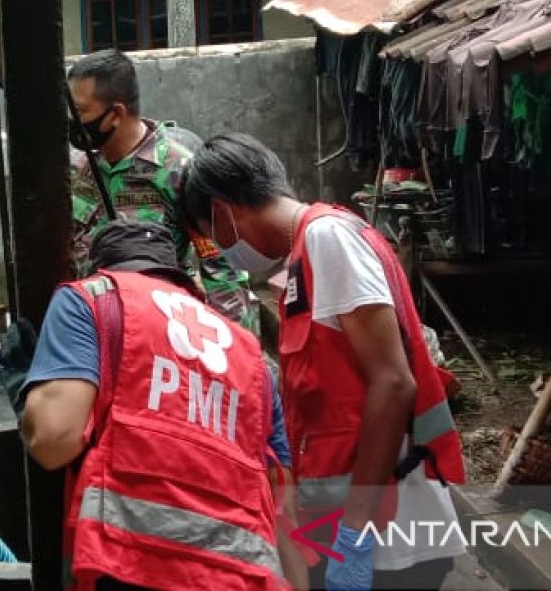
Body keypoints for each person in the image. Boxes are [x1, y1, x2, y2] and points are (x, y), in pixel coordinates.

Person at [181, 133, 466, 591]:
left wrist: (354, 532)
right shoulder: (305, 258)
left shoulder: (326, 239)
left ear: (221, 211)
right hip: (366, 528)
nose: (222, 250)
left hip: (390, 535)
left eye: (213, 237)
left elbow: (393, 383)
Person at [16, 220, 293, 591]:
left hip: (131, 565)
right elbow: (284, 496)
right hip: (241, 576)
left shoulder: (91, 298)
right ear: (176, 275)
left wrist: (27, 397)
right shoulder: (250, 353)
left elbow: (54, 442)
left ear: (103, 268)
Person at [66, 49, 255, 332]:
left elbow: (221, 268)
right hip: (91, 327)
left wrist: (237, 353)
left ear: (116, 113)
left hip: (162, 332)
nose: (72, 121)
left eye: (80, 112)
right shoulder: (78, 170)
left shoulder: (180, 172)